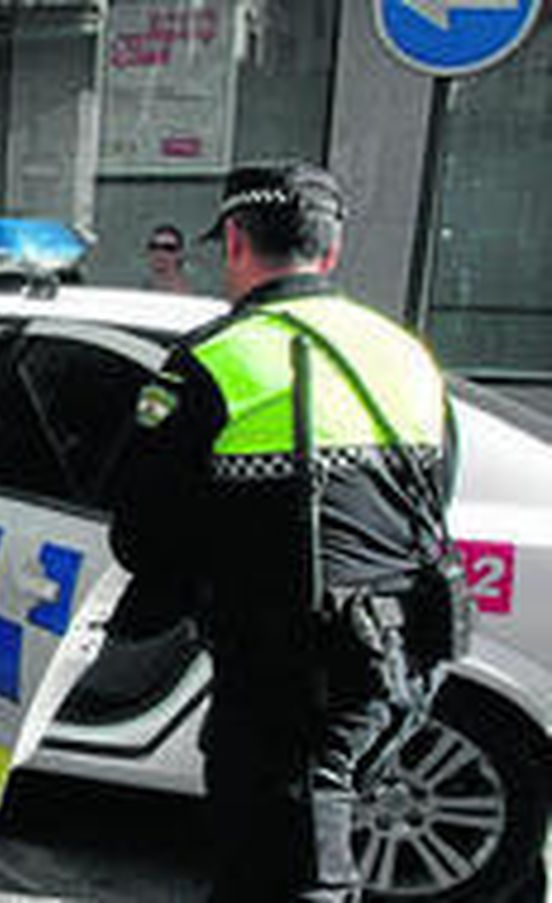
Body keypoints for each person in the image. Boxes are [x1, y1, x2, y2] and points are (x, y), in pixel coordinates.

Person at [109, 162, 455, 900]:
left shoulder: (216, 358)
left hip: (284, 669)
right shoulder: (408, 355)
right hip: (400, 659)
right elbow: (432, 500)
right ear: (330, 252)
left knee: (293, 868)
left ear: (234, 239)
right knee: (286, 850)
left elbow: (140, 530)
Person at [143, 222, 193, 294]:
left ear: (180, 254)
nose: (160, 252)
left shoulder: (187, 297)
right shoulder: (143, 292)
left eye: (168, 248)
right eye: (154, 246)